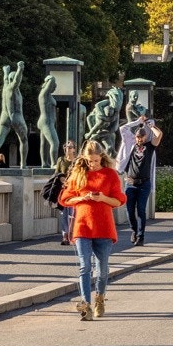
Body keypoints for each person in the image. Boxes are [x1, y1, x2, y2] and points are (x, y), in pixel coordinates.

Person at [58, 140, 126, 321]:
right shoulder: (78, 173)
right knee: (84, 267)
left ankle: (100, 298)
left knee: (102, 271)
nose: (92, 164)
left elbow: (119, 201)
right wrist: (82, 197)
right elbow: (65, 200)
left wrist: (103, 197)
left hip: (104, 227)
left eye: (95, 160)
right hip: (82, 226)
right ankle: (86, 305)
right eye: (89, 161)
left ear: (101, 158)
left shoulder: (110, 174)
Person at [117, 114, 163, 245]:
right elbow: (123, 129)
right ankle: (134, 230)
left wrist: (149, 125)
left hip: (144, 183)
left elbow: (159, 135)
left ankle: (141, 236)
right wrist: (137, 122)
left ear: (145, 136)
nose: (139, 139)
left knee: (141, 209)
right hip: (130, 182)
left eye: (142, 136)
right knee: (129, 210)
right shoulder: (130, 145)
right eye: (137, 136)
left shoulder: (149, 146)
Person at [54, 140, 78, 244]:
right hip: (63, 190)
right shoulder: (61, 160)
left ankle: (72, 233)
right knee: (63, 213)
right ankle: (65, 235)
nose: (67, 148)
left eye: (70, 147)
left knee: (73, 213)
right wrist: (61, 179)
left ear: (74, 149)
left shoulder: (78, 161)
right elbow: (56, 173)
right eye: (66, 147)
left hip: (75, 190)